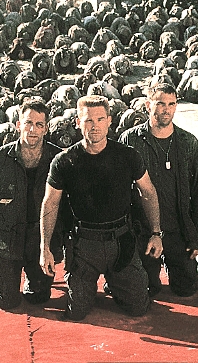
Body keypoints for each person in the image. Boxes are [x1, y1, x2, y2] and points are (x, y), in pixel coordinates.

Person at [40, 95, 163, 321]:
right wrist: (45, 247)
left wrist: (156, 233)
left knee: (139, 307)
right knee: (77, 312)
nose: (94, 126)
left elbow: (149, 192)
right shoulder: (64, 161)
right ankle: (91, 282)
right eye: (88, 120)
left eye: (99, 119)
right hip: (84, 245)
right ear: (78, 122)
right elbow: (50, 203)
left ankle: (115, 281)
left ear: (109, 121)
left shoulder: (127, 156)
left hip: (121, 242)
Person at [119, 83, 198, 297]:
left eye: (171, 104)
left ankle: (174, 264)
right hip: (142, 230)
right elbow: (120, 190)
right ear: (148, 105)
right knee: (146, 290)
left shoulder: (188, 142)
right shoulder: (131, 140)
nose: (166, 109)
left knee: (186, 289)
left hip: (178, 229)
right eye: (161, 104)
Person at [0, 99, 64, 310]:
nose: (32, 130)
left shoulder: (57, 159)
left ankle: (31, 275)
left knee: (38, 296)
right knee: (7, 301)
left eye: (39, 124)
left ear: (46, 128)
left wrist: (57, 246)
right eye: (28, 123)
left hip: (39, 238)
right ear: (18, 125)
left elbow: (64, 206)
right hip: (9, 237)